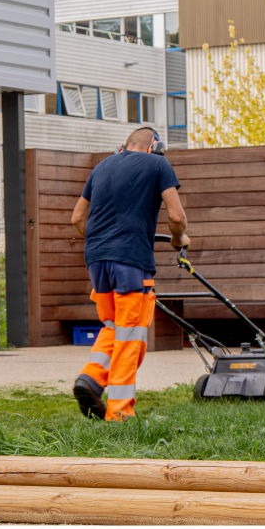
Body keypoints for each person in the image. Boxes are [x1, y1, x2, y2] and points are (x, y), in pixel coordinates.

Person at [70, 127, 190, 421]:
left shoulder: (101, 167)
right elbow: (177, 216)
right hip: (131, 261)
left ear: (123, 146)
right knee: (131, 336)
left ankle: (91, 378)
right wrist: (178, 239)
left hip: (96, 260)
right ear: (155, 146)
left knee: (113, 326)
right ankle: (120, 413)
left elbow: (77, 218)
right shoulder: (158, 163)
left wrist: (102, 244)